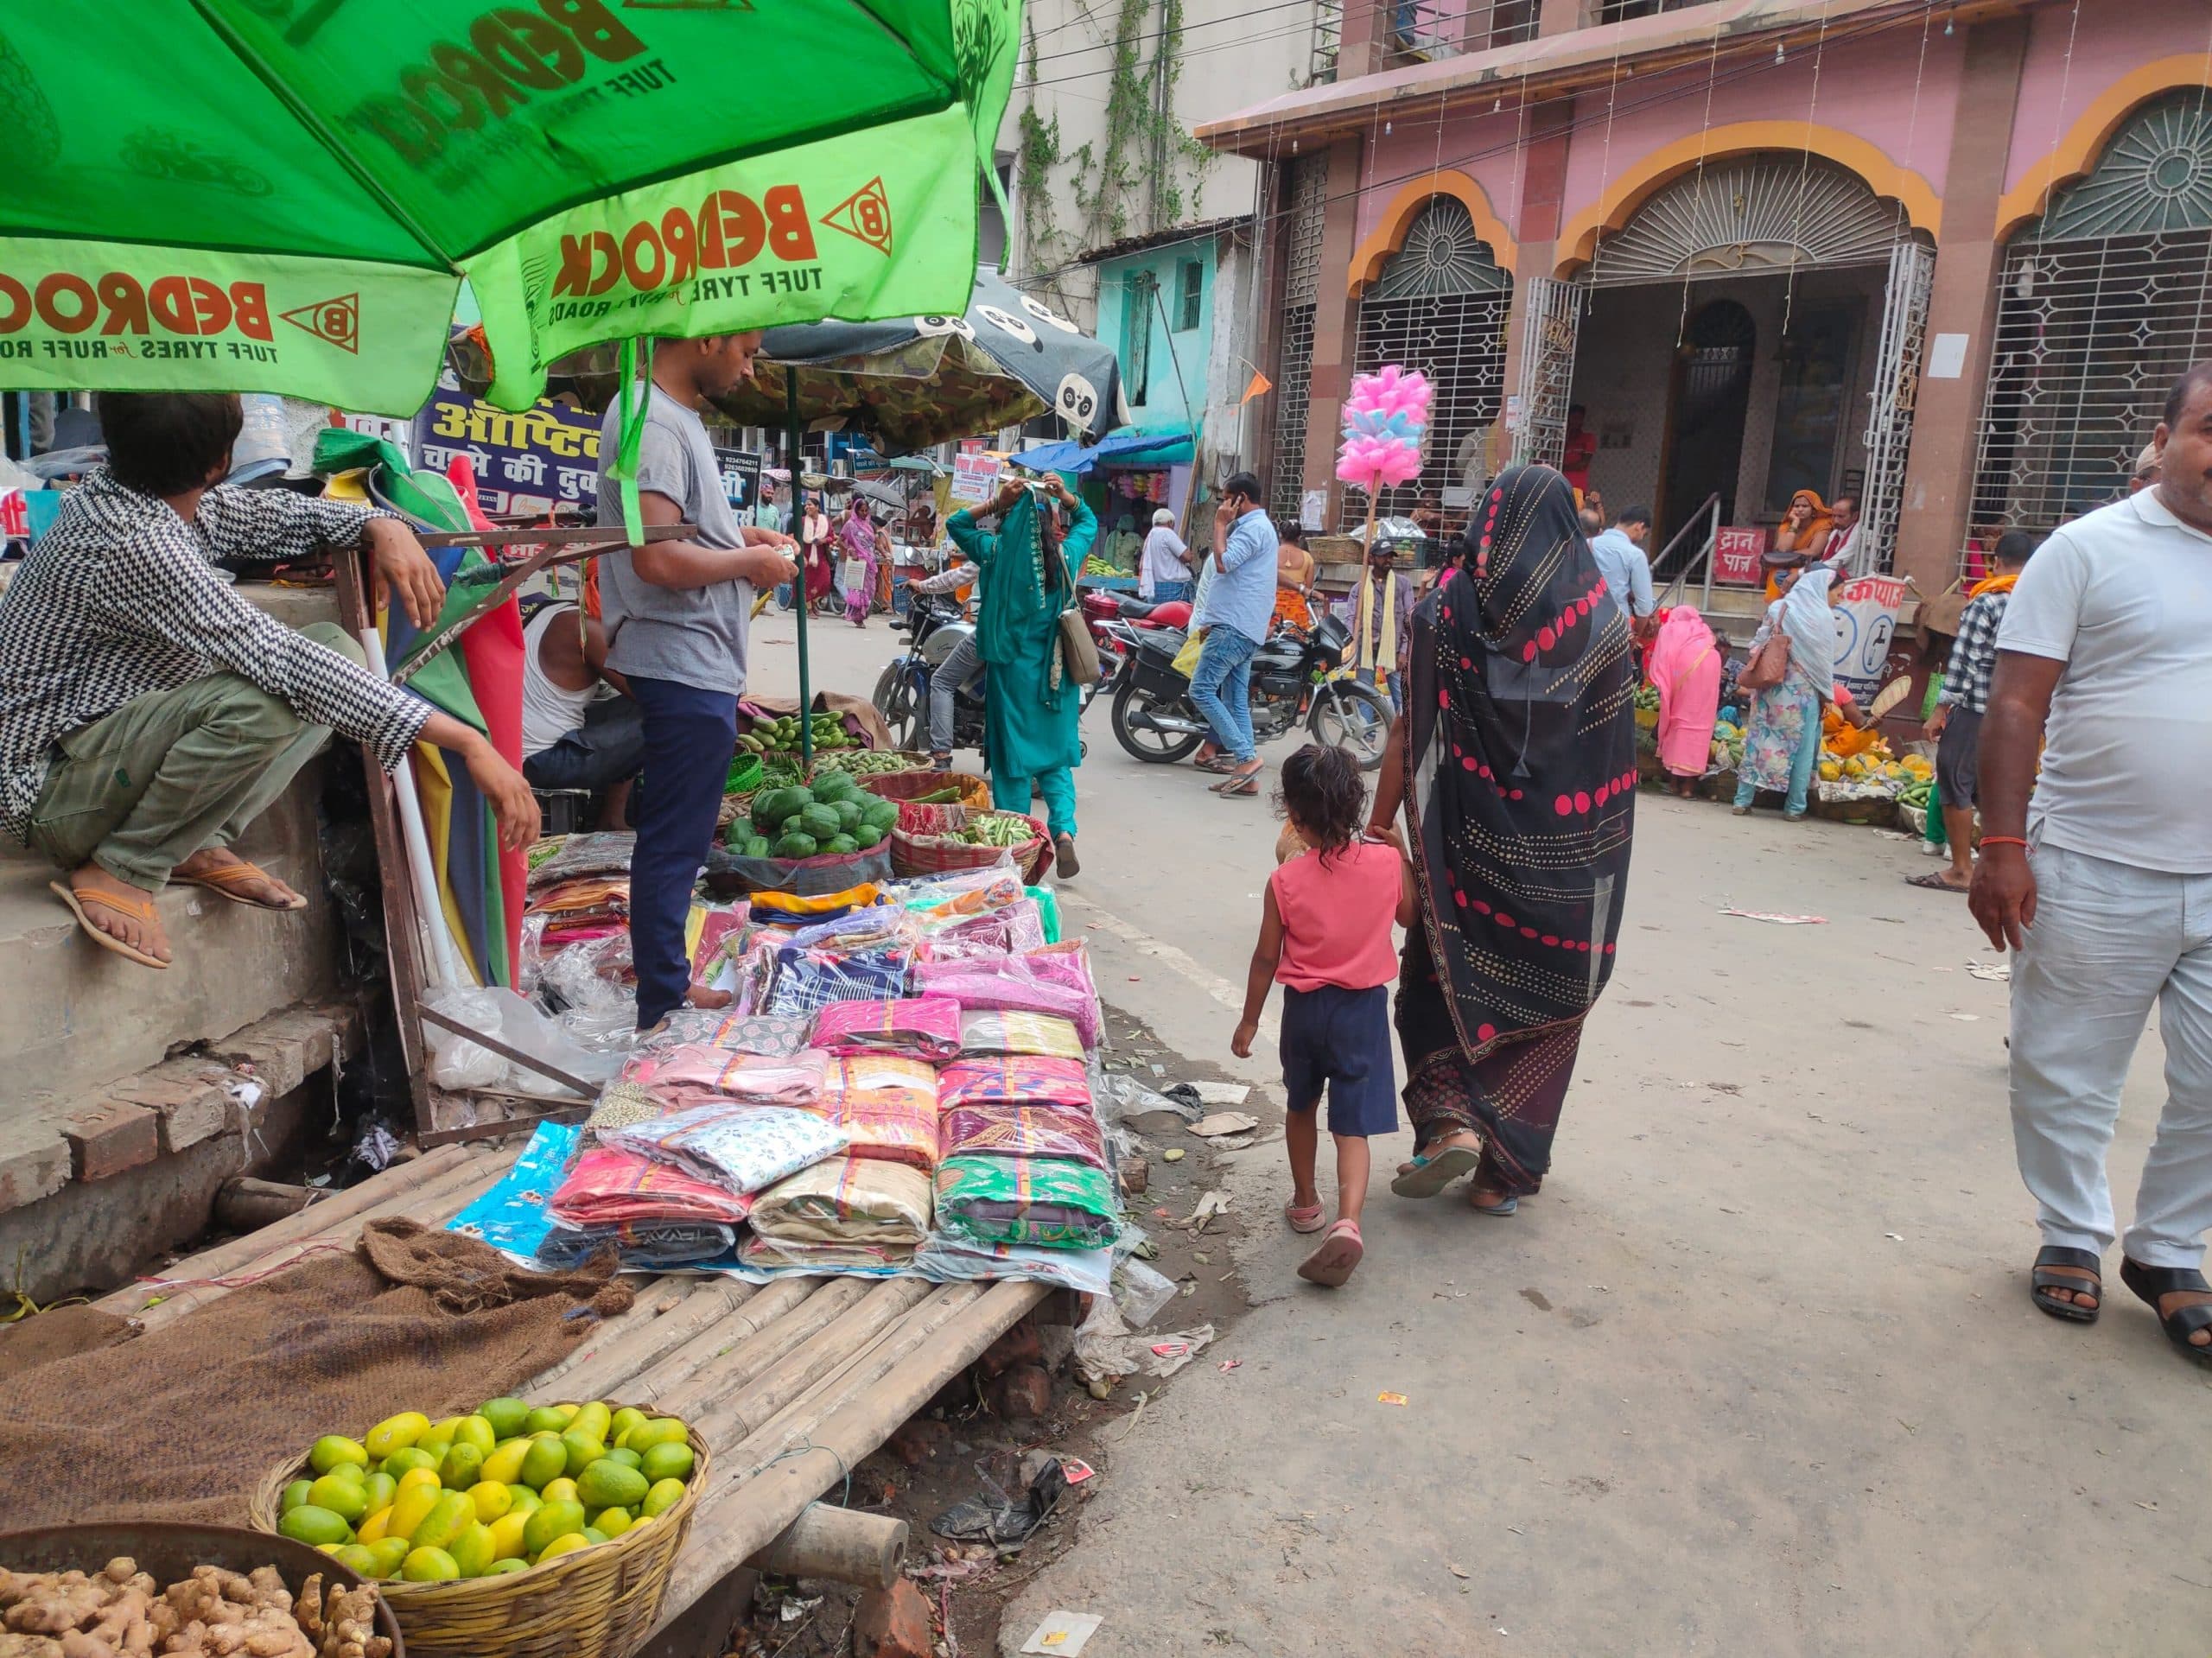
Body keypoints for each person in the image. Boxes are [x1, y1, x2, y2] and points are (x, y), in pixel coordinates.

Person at [0, 391, 537, 970]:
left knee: (338, 651)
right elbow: (281, 661)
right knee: (280, 698)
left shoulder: (132, 496)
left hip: (96, 756)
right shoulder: (136, 542)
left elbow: (273, 517)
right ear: (217, 464)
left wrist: (381, 522)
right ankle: (123, 864)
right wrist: (468, 741)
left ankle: (189, 839)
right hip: (50, 791)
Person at [1971, 362, 2212, 1364]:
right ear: (2165, 438)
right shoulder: (2087, 548)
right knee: (2064, 1068)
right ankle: (2071, 1228)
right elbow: (2016, 704)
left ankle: (2164, 1250)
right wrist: (2000, 845)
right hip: (2092, 863)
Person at [1367, 463, 1637, 1214]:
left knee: (1434, 984)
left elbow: (1404, 733)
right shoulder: (1603, 624)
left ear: (1488, 520)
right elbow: (1615, 758)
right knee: (1543, 1012)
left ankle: (1451, 1119)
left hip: (1463, 861)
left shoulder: (1444, 611)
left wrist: (1378, 828)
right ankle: (1504, 1171)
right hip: (1569, 872)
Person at [597, 334, 798, 1030]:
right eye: (746, 350)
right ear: (708, 336)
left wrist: (739, 538)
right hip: (680, 659)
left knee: (677, 835)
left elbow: (676, 531)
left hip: (695, 660)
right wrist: (748, 563)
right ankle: (663, 996)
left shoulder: (668, 417)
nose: (749, 368)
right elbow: (654, 558)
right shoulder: (650, 421)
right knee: (675, 839)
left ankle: (667, 982)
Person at [1231, 744, 1414, 1287]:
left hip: (1306, 1012)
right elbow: (1408, 916)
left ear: (1294, 814)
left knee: (1302, 1104)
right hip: (1363, 1012)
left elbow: (1266, 957)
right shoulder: (1383, 863)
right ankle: (1349, 1223)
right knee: (1353, 1125)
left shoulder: (1285, 881)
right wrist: (1400, 851)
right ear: (1355, 803)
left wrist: (1248, 1021)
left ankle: (1307, 1203)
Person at [945, 473, 1095, 875]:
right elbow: (1088, 523)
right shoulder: (1066, 558)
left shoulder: (992, 552)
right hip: (1056, 677)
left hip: (1011, 679)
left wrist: (996, 502)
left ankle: (1018, 847)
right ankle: (1063, 833)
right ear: (1049, 525)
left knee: (1013, 764)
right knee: (1054, 762)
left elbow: (955, 524)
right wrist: (1064, 494)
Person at [1910, 529, 2038, 894]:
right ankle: (2001, 866)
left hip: (1976, 709)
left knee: (1954, 781)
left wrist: (1940, 709)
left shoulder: (1987, 602)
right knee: (1996, 789)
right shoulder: (2038, 602)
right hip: (2019, 715)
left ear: (1996, 562)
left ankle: (1962, 869)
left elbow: (1964, 662)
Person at [1732, 552, 1843, 820]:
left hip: (1771, 687)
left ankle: (1742, 800)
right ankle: (1794, 808)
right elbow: (1824, 663)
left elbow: (1756, 644)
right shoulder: (1824, 618)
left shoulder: (1779, 608)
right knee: (1802, 750)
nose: (1840, 597)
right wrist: (1827, 696)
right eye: (1838, 591)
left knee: (1758, 741)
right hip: (1804, 693)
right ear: (1822, 589)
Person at [1188, 472, 1280, 797]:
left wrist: (1218, 525)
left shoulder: (1252, 528)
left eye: (1226, 497)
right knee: (1235, 700)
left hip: (1235, 626)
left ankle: (1247, 758)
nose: (1223, 504)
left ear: (1240, 498)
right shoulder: (1259, 528)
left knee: (1200, 689)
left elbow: (1224, 563)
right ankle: (1248, 778)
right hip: (1241, 625)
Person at [519, 601, 643, 831]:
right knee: (668, 713)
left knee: (635, 709)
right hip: (542, 761)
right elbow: (651, 695)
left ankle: (612, 818)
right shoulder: (585, 629)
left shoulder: (553, 611)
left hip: (531, 753)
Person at [909, 551, 980, 767]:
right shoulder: (1058, 553)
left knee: (941, 681)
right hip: (1036, 638)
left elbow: (955, 577)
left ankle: (940, 756)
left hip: (994, 634)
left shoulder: (995, 548)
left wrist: (922, 586)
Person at [1647, 605, 1723, 797]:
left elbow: (1665, 659)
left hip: (1683, 669)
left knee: (1677, 719)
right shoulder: (1704, 634)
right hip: (1711, 665)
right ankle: (1689, 787)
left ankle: (1673, 783)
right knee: (1701, 724)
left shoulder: (1674, 629)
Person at [1349, 540, 1414, 712]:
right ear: (1371, 558)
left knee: (1400, 695)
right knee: (1365, 693)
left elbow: (1409, 619)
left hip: (1393, 648)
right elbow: (1351, 619)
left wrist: (1404, 651)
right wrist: (1351, 647)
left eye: (1390, 556)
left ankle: (1405, 735)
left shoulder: (1403, 584)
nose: (1388, 560)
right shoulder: (1360, 587)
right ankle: (1367, 735)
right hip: (1366, 648)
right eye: (1383, 556)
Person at [1587, 505, 1656, 628]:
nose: (1641, 538)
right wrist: (1636, 637)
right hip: (1615, 626)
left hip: (1583, 621)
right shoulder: (1635, 555)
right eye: (1644, 534)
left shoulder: (1586, 544)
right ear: (1639, 527)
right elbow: (1644, 607)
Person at [1767, 489, 1835, 597]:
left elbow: (1814, 551)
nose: (1800, 509)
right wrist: (1795, 523)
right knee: (1776, 571)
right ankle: (1774, 607)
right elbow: (1783, 549)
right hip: (1787, 563)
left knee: (1791, 572)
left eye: (1805, 506)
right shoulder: (1787, 525)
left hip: (1809, 565)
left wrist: (1789, 557)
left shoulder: (1822, 524)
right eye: (1797, 506)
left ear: (1813, 509)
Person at [1138, 506, 1192, 603]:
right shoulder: (1167, 533)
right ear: (1170, 522)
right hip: (1174, 588)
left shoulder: (1151, 535)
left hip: (1158, 586)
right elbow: (1187, 557)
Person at [840, 497, 880, 627]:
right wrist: (850, 550)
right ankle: (858, 617)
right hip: (858, 562)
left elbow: (875, 543)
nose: (864, 513)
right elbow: (840, 540)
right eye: (861, 510)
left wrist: (885, 554)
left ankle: (863, 614)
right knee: (859, 590)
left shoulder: (869, 526)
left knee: (870, 590)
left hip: (870, 563)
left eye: (866, 511)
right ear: (856, 511)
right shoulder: (850, 525)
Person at [1273, 523, 1316, 632]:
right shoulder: (1307, 558)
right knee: (1297, 643)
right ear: (1299, 537)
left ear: (1280, 535)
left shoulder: (1270, 553)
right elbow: (1308, 588)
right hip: (1297, 609)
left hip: (1272, 608)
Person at [1560, 405, 1597, 499]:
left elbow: (1583, 464)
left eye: (1579, 418)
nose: (1576, 422)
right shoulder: (1562, 439)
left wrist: (1561, 467)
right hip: (1560, 485)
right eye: (1573, 418)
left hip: (1577, 488)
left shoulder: (1588, 438)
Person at [1826, 493, 1866, 575]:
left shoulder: (1860, 533)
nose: (1836, 521)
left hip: (1853, 580)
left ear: (1855, 516)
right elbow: (1827, 560)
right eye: (1833, 516)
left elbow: (1836, 562)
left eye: (1841, 517)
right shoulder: (1835, 533)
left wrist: (1805, 571)